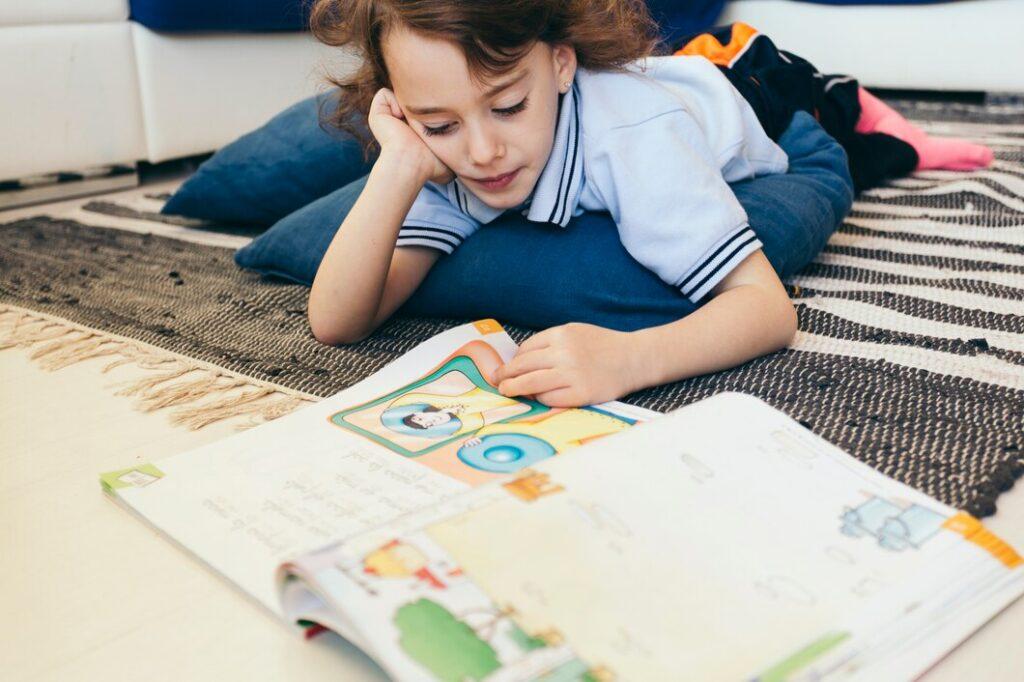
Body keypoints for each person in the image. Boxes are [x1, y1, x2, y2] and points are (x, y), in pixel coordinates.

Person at [307, 0, 809, 408]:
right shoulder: (443, 155)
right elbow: (336, 322)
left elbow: (768, 308)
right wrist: (398, 166)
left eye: (508, 107)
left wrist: (628, 359)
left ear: (561, 64)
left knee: (800, 90)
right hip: (639, 79)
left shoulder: (636, 138)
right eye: (440, 125)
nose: (482, 154)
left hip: (743, 85)